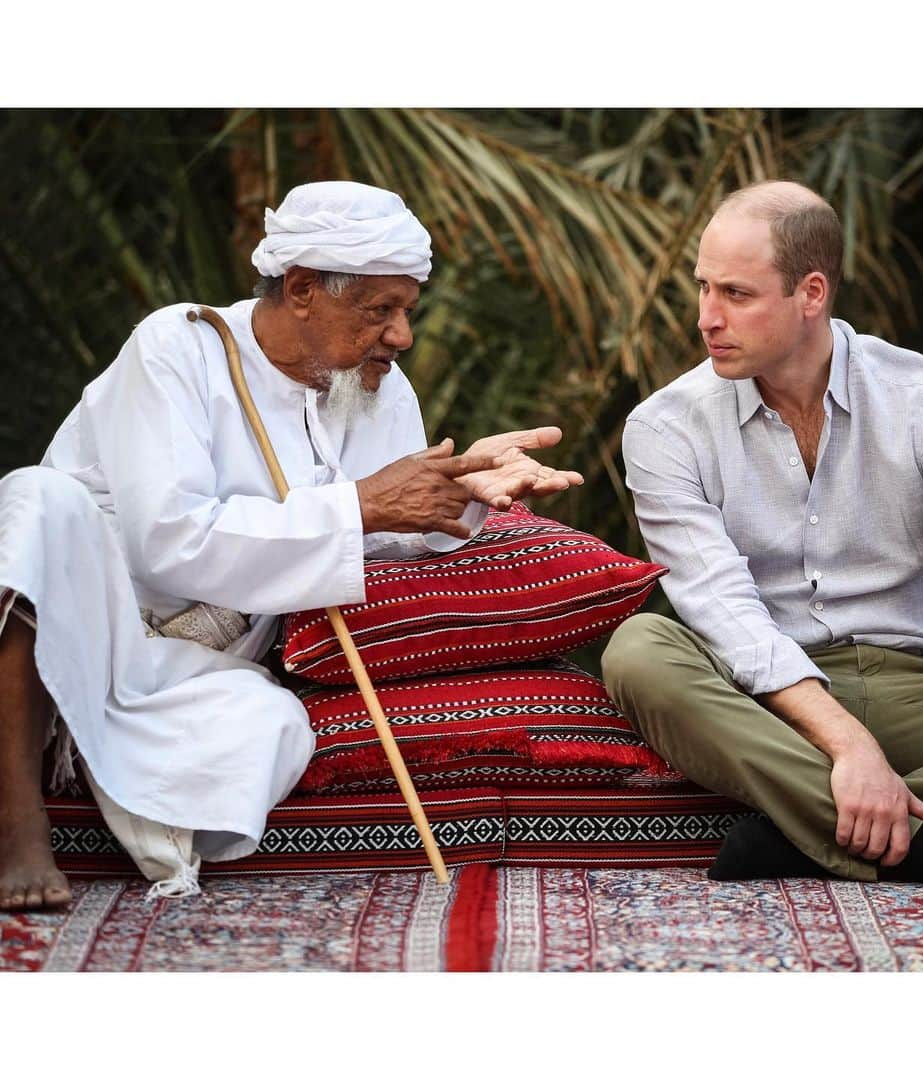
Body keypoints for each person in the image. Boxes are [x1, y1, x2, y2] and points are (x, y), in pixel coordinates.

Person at [0, 181, 583, 911]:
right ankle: (16, 817)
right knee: (35, 500)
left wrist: (465, 488)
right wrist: (360, 505)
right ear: (303, 289)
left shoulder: (379, 388)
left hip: (206, 663)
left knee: (272, 729)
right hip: (88, 618)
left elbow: (381, 544)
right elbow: (168, 541)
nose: (401, 336)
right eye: (381, 310)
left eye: (408, 311)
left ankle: (102, 760)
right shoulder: (179, 347)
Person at [602, 180, 923, 889]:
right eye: (702, 287)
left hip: (920, 687)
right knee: (638, 650)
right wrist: (850, 745)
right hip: (767, 701)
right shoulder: (664, 427)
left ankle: (804, 836)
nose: (706, 317)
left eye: (736, 294)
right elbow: (722, 611)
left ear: (812, 294)